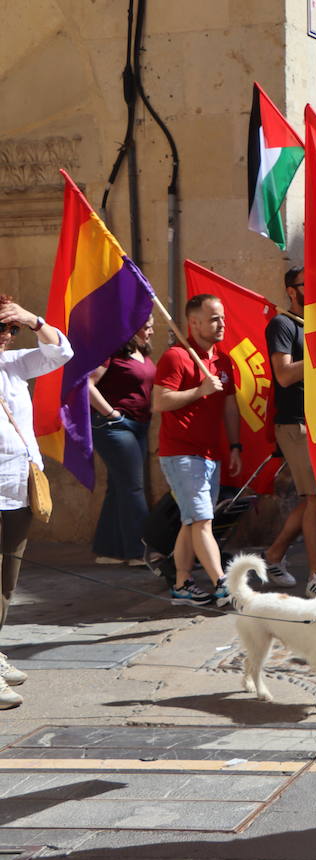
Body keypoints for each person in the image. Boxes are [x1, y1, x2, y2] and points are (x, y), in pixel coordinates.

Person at [0, 296, 73, 710]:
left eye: (10, 329)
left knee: (7, 582)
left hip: (19, 489)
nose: (7, 338)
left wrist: (32, 319)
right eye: (2, 329)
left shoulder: (15, 363)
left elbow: (61, 351)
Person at [152, 295, 240, 608]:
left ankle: (181, 582)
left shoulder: (223, 360)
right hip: (181, 453)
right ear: (194, 323)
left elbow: (230, 406)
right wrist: (198, 391)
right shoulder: (176, 357)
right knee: (202, 520)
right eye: (214, 318)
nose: (221, 324)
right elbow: (160, 401)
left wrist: (234, 445)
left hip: (210, 453)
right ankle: (223, 585)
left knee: (192, 521)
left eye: (223, 318)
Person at [260, 266, 316, 596]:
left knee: (313, 498)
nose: (314, 288)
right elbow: (284, 374)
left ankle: (274, 554)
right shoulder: (282, 323)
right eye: (308, 284)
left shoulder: (313, 323)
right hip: (294, 424)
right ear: (292, 290)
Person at [88, 315, 154, 566]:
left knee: (119, 487)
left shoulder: (142, 352)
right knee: (133, 488)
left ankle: (109, 550)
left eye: (151, 324)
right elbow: (87, 385)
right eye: (146, 325)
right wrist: (112, 414)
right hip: (114, 426)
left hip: (139, 425)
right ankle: (140, 552)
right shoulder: (112, 352)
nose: (151, 329)